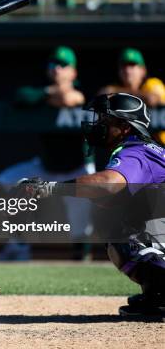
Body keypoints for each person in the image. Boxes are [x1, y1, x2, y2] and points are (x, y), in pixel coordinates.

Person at [18, 93, 165, 317]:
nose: (98, 125)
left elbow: (108, 184)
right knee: (117, 220)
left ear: (125, 127)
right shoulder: (144, 149)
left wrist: (49, 188)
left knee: (123, 238)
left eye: (106, 120)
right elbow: (110, 198)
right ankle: (158, 294)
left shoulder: (137, 151)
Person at [0, 46, 94, 260]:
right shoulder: (42, 92)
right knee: (4, 181)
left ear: (73, 72)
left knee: (81, 219)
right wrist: (50, 94)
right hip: (46, 167)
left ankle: (82, 256)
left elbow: (72, 99)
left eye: (63, 65)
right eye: (54, 64)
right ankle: (17, 244)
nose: (57, 68)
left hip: (76, 168)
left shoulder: (82, 91)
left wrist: (59, 96)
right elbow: (21, 97)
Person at [99, 47, 165, 144]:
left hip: (160, 147)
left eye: (132, 65)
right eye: (124, 66)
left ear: (143, 70)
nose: (127, 70)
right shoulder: (114, 87)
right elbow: (101, 97)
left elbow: (153, 99)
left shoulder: (152, 84)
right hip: (134, 148)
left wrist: (118, 94)